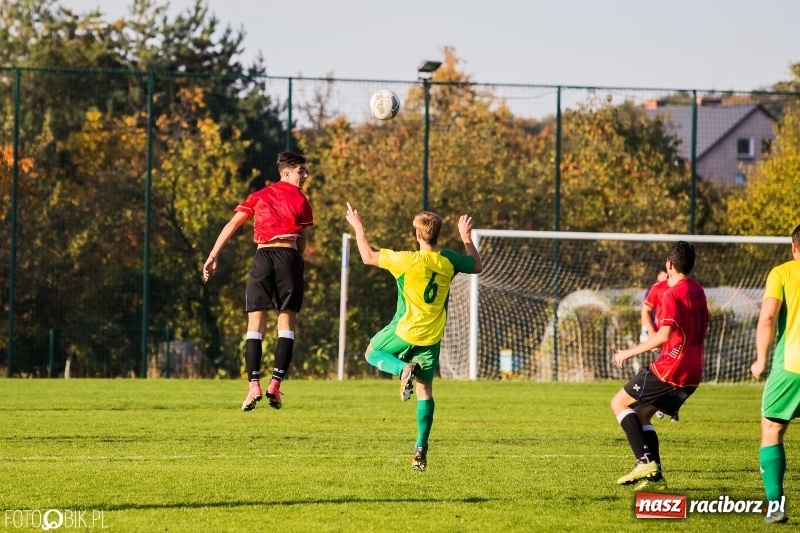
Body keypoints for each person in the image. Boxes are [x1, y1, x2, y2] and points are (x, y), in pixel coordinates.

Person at [345, 203, 482, 471]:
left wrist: (358, 227)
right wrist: (466, 237)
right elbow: (476, 265)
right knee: (424, 391)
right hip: (431, 337)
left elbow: (368, 257)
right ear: (437, 235)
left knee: (371, 353)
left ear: (418, 235)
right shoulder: (449, 260)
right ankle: (421, 447)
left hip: (404, 330)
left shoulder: (407, 260)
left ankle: (400, 369)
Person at [203, 151, 313, 412]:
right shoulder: (301, 199)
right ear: (286, 173)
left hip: (262, 257)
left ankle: (254, 385)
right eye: (301, 171)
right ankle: (275, 384)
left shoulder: (260, 195)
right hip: (288, 256)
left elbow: (233, 224)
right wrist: (296, 261)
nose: (305, 176)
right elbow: (304, 242)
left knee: (255, 323)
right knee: (286, 321)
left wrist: (212, 256)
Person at [610, 241, 708, 490]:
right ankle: (656, 477)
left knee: (619, 403)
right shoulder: (698, 290)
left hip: (671, 368)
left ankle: (643, 462)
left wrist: (629, 352)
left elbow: (664, 335)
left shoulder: (673, 293)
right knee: (642, 414)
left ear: (670, 264)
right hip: (694, 372)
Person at [751, 224, 800, 525]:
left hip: (792, 367)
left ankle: (775, 505)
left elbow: (768, 316)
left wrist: (760, 359)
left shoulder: (782, 273)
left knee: (771, 429)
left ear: (794, 248)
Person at [641, 270, 680, 423]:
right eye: (663, 275)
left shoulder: (685, 288)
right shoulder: (657, 288)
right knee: (661, 373)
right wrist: (651, 334)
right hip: (661, 337)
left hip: (678, 339)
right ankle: (660, 405)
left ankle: (672, 410)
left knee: (676, 377)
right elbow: (645, 311)